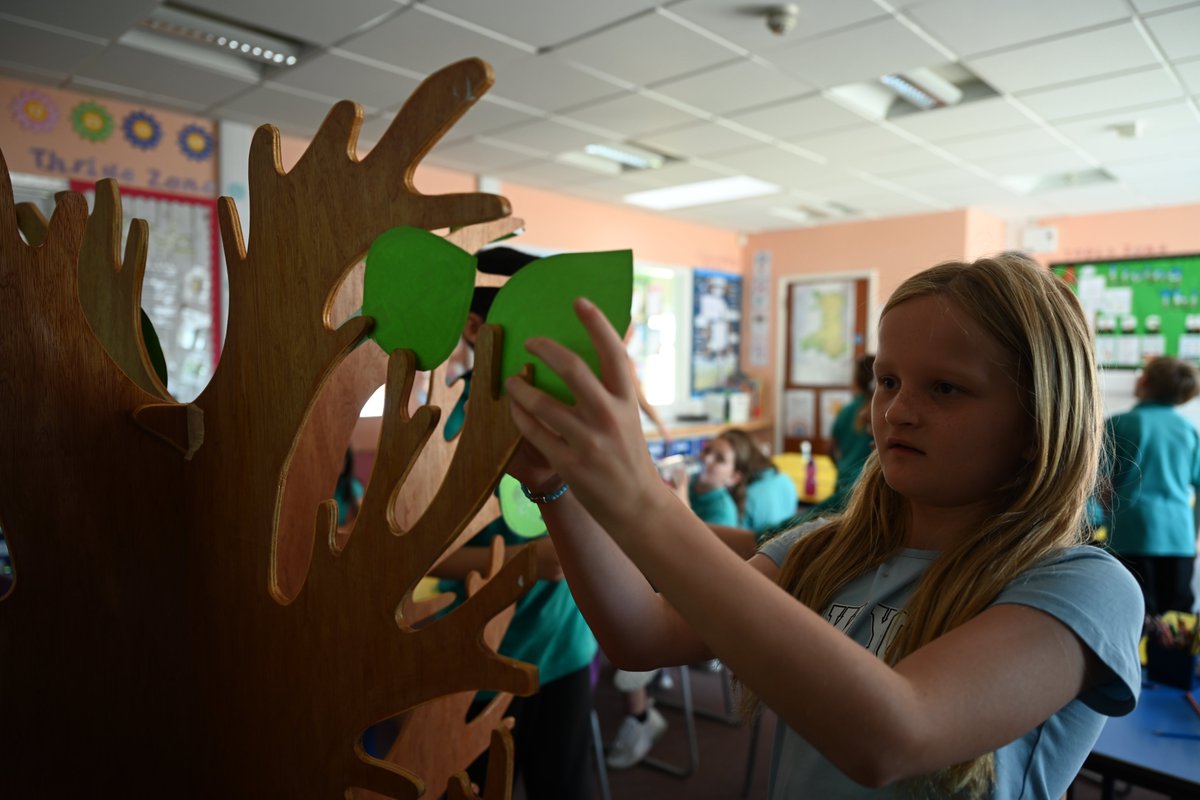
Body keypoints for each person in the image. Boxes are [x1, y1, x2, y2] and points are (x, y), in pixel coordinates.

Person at [501, 253, 1144, 798]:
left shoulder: (1083, 589)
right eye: (886, 380)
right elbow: (641, 634)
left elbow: (895, 736)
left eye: (944, 389)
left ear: (1039, 422)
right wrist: (557, 485)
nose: (897, 410)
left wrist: (643, 501)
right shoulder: (826, 548)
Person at [431, 246, 598, 800]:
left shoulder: (570, 418)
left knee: (562, 786)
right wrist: (522, 564)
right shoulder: (442, 431)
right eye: (528, 320)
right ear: (476, 329)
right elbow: (423, 558)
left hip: (565, 650)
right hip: (479, 659)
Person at [1102, 355, 1200, 615]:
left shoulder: (1118, 423)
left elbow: (1100, 483)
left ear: (1143, 380)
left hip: (1129, 534)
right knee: (1177, 623)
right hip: (1179, 539)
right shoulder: (1188, 430)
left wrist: (1099, 520)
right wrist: (1193, 532)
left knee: (1132, 617)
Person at [816, 354, 876, 515]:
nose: (865, 416)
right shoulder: (876, 412)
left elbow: (830, 447)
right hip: (863, 485)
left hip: (848, 481)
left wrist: (840, 465)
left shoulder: (846, 412)